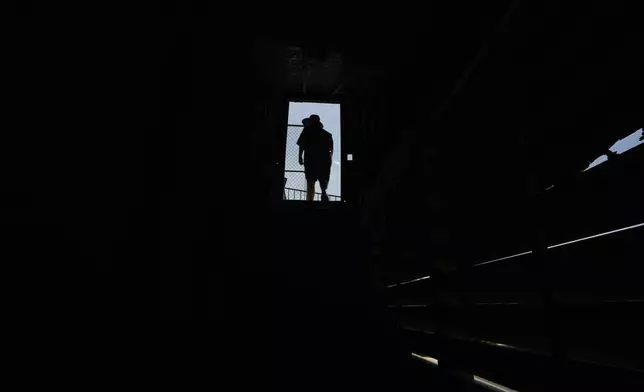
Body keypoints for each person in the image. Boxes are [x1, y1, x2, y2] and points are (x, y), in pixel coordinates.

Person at [297, 114, 333, 202]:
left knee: (310, 181)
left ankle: (310, 200)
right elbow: (331, 151)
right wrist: (329, 161)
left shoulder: (306, 131)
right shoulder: (327, 135)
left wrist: (300, 157)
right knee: (323, 179)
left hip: (310, 160)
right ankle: (324, 194)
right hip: (323, 161)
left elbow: (301, 145)